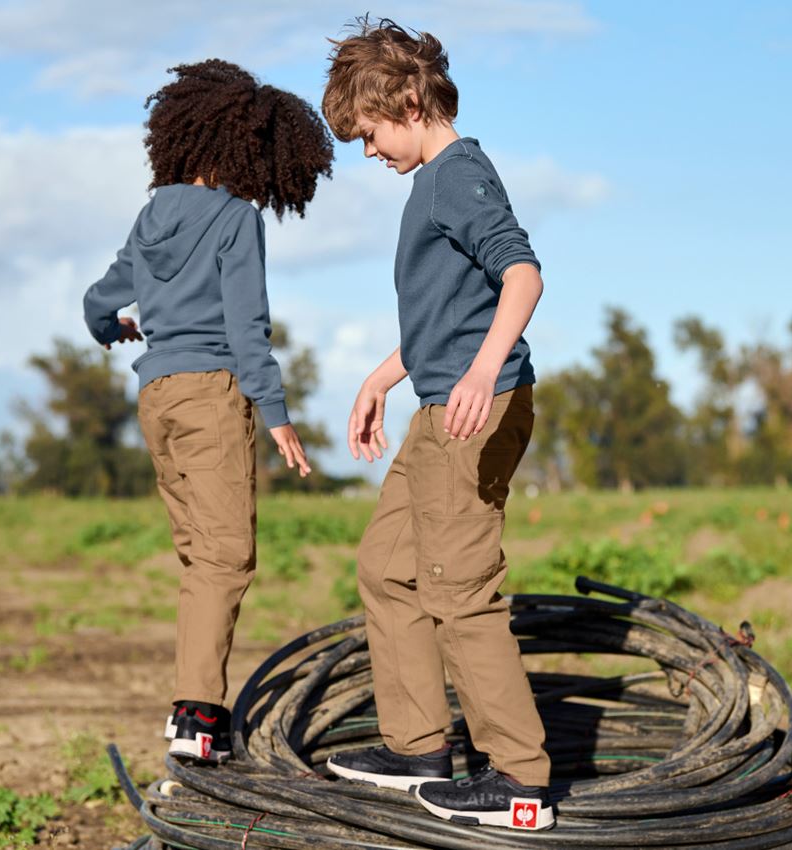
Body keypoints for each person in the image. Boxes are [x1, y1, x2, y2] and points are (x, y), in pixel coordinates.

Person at [321, 19, 554, 830]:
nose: (368, 150)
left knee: (457, 584)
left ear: (411, 101)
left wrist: (485, 370)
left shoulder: (458, 173)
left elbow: (520, 274)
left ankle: (519, 778)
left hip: (472, 404)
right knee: (389, 565)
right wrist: (381, 377)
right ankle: (418, 745)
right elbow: (445, 315)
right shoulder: (429, 181)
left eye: (371, 131)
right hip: (436, 401)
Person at [83, 59, 333, 764]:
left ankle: (193, 714)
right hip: (210, 395)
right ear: (247, 151)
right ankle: (196, 720)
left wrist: (116, 331)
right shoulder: (235, 220)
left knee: (200, 558)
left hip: (156, 397)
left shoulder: (152, 213)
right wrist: (277, 413)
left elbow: (99, 300)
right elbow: (248, 327)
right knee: (226, 559)